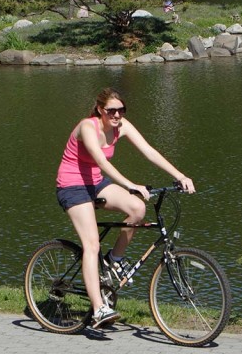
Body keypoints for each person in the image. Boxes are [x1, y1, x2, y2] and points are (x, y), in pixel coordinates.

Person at [55, 87, 195, 327]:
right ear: (100, 110)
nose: (117, 115)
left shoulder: (122, 126)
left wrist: (180, 175)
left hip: (96, 183)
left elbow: (149, 152)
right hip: (72, 186)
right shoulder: (88, 127)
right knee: (91, 245)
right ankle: (99, 308)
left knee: (138, 209)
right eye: (111, 111)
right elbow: (99, 159)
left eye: (121, 110)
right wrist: (130, 184)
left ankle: (114, 258)